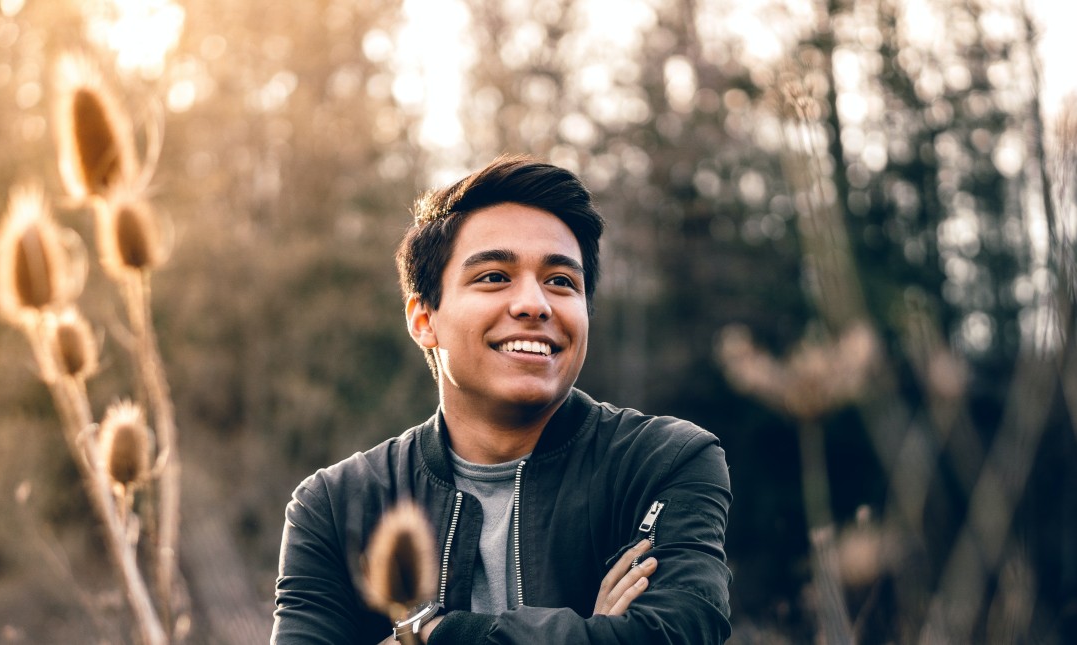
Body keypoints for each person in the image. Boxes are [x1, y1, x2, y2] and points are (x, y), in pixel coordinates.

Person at [271, 155, 733, 644]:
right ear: (423, 319)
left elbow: (678, 633)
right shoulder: (336, 505)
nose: (534, 303)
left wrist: (438, 634)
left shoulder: (662, 462)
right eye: (493, 276)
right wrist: (593, 633)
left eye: (561, 281)